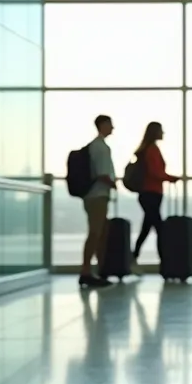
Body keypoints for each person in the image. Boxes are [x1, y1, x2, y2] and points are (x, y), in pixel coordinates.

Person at [132, 121, 180, 264]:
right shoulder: (152, 149)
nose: (163, 133)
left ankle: (133, 257)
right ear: (155, 132)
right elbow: (155, 173)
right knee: (160, 229)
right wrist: (170, 178)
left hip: (150, 195)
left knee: (147, 229)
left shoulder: (148, 149)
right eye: (161, 130)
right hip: (151, 194)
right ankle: (165, 262)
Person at [80, 115, 117, 288]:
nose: (112, 128)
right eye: (110, 124)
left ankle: (94, 270)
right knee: (95, 233)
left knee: (97, 233)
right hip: (98, 196)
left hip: (92, 195)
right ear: (102, 125)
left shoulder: (94, 146)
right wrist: (114, 184)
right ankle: (87, 271)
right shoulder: (101, 147)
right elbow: (103, 174)